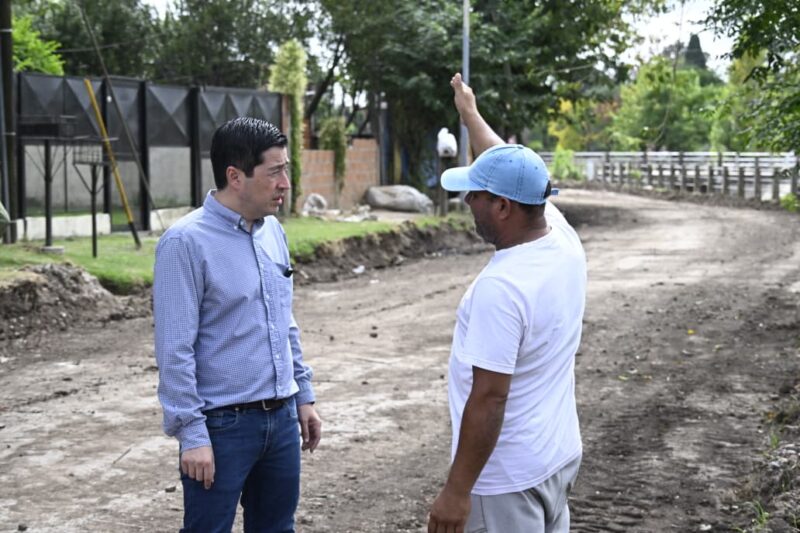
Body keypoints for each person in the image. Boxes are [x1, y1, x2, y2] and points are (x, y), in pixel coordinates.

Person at [427, 73, 586, 533]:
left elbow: (490, 397)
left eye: (474, 195)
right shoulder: (559, 235)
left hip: (505, 484)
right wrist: (471, 115)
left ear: (502, 208)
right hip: (554, 460)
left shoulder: (502, 287)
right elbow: (515, 167)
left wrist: (456, 492)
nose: (467, 201)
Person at [153, 117, 322, 533]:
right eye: (275, 172)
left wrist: (303, 395)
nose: (286, 183)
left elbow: (285, 322)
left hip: (281, 419)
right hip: (222, 428)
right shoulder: (185, 243)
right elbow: (174, 348)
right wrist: (192, 434)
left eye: (287, 170)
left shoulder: (273, 232)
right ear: (235, 176)